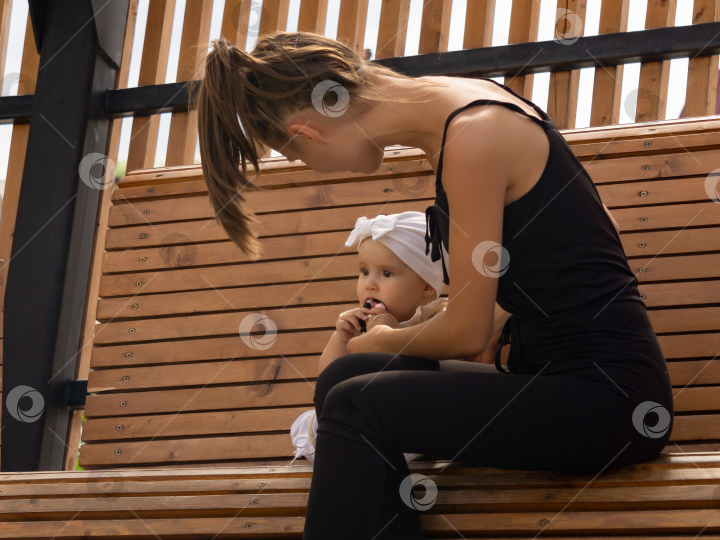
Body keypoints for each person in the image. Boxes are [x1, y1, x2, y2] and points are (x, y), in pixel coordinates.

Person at [196, 31, 673, 540]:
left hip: (612, 401)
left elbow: (466, 333)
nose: (311, 169)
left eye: (295, 157)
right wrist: (517, 315)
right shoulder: (465, 107)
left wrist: (384, 337)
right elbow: (595, 233)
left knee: (358, 403)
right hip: (549, 375)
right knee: (347, 378)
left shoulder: (470, 137)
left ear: (307, 133)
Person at [290, 211, 449, 465]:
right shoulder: (358, 324)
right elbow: (328, 382)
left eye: (386, 274)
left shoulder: (435, 321)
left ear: (427, 287)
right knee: (309, 421)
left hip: (410, 416)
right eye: (364, 271)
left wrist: (390, 337)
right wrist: (341, 339)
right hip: (361, 417)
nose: (370, 284)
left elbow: (420, 380)